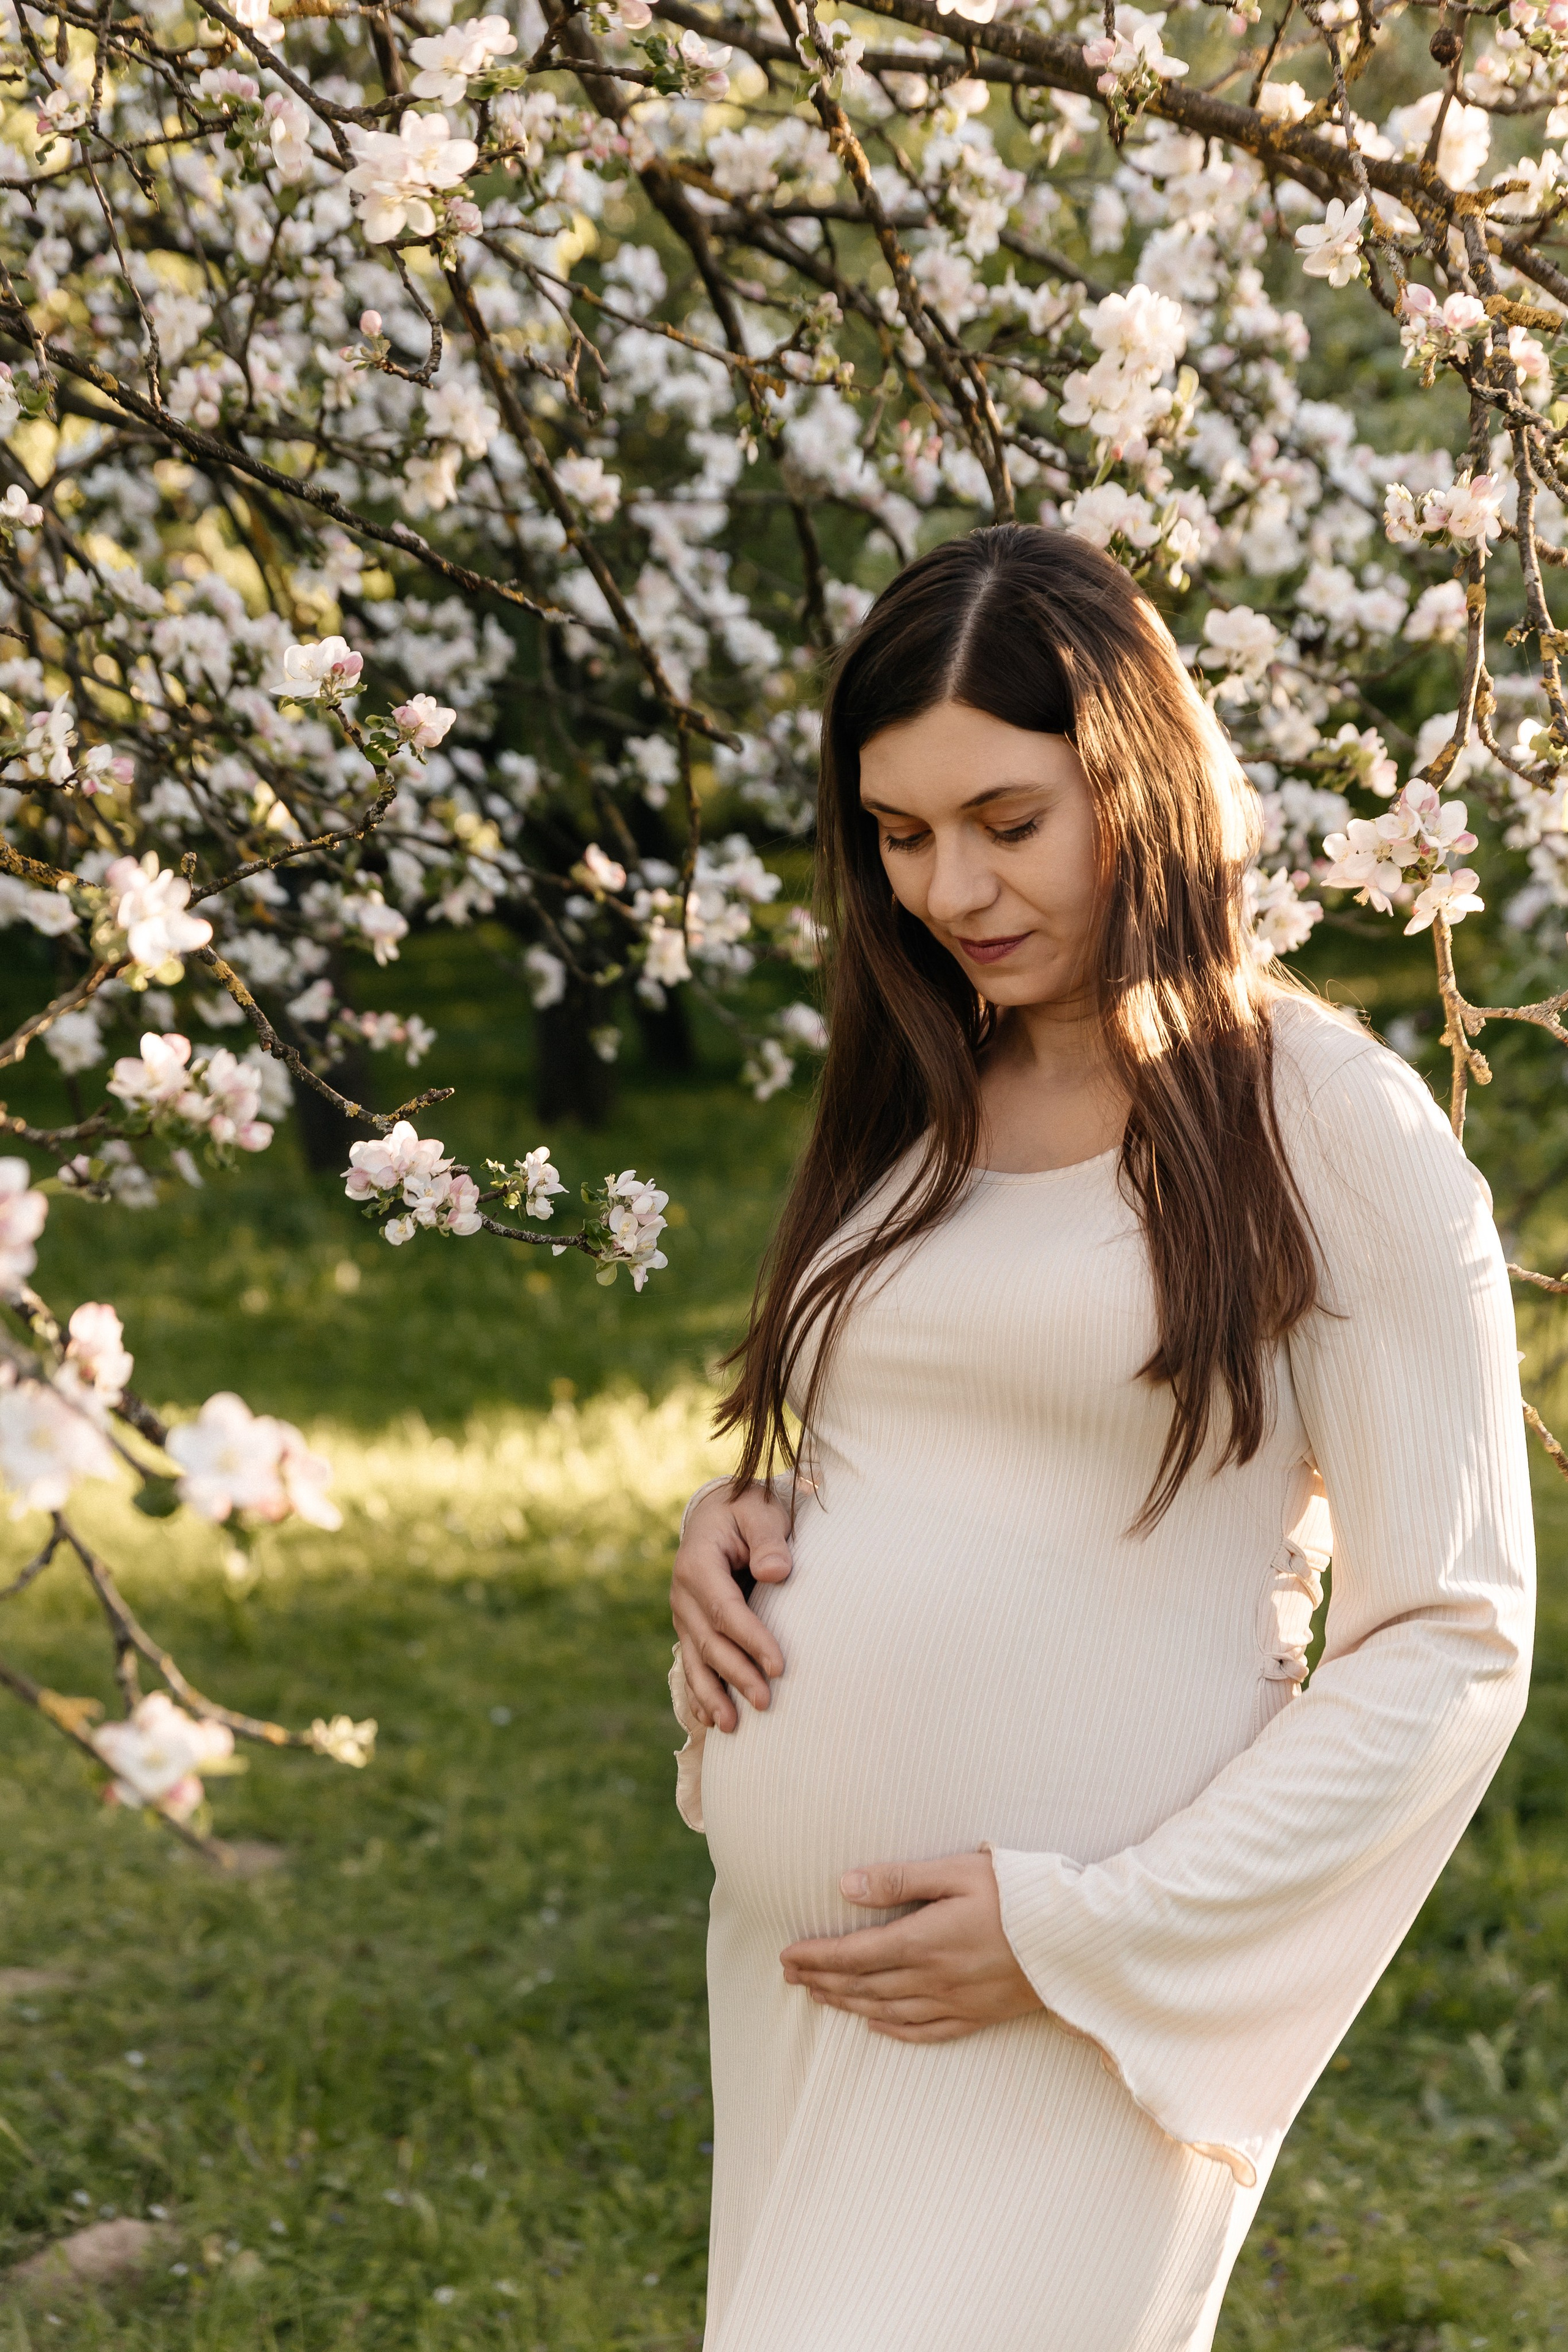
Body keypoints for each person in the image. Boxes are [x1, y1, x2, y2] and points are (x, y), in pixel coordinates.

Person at [668, 524, 1534, 2352]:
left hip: (1073, 2009)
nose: (952, 887)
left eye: (1007, 818)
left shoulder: (1321, 1123)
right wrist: (748, 1520)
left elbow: (1452, 1641)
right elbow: (958, 1439)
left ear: (1135, 777)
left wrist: (1083, 1931)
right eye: (900, 835)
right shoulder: (919, 1085)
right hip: (818, 1987)